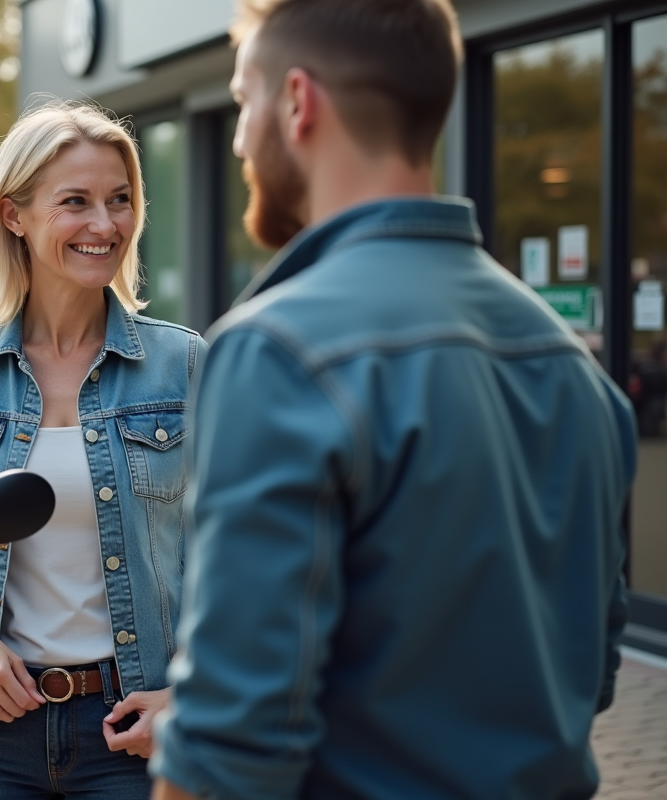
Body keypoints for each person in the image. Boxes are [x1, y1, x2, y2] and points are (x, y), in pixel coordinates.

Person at [150, 1, 636, 799]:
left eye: (242, 103)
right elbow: (591, 673)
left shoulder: (278, 350)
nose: (237, 140)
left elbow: (229, 746)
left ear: (298, 103)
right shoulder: (575, 367)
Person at [0, 100, 205, 799]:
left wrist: (190, 696)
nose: (105, 224)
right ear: (15, 216)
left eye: (120, 200)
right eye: (76, 202)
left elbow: (239, 554)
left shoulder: (184, 366)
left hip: (134, 728)